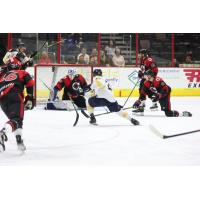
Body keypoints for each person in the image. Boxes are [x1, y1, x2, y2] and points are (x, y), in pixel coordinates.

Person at [0, 56, 35, 152]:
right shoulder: (22, 72)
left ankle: (19, 141)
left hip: (2, 101)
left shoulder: (2, 76)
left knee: (15, 121)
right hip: (15, 96)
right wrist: (30, 98)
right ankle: (3, 132)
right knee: (16, 119)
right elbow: (31, 84)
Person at [132, 49, 158, 113]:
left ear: (143, 54)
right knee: (146, 91)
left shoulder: (149, 60)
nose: (138, 55)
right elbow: (143, 69)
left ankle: (141, 106)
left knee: (142, 90)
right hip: (145, 78)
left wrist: (151, 79)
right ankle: (154, 103)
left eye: (140, 53)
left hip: (148, 79)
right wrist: (140, 72)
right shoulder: (142, 60)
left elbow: (155, 70)